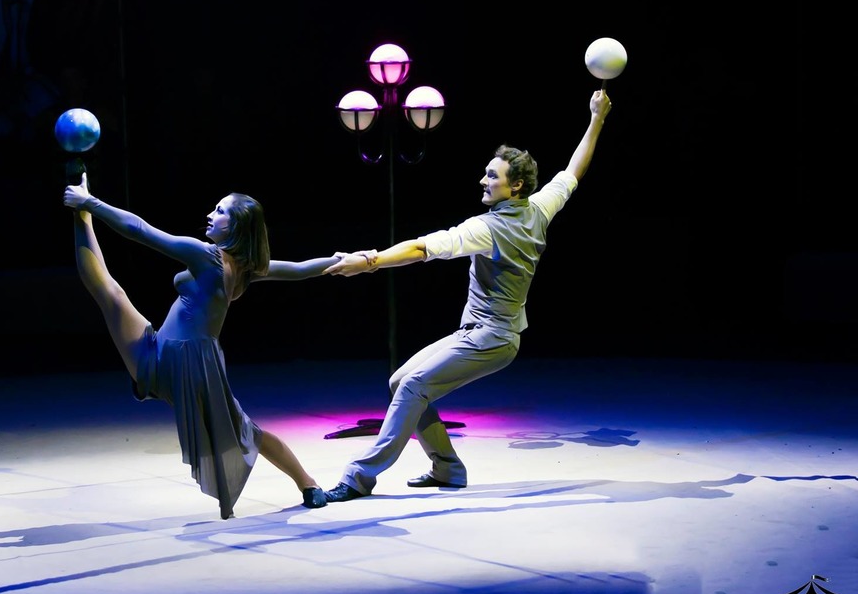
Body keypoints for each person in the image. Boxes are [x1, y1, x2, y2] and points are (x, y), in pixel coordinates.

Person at [321, 89, 613, 502]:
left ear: (516, 186)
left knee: (413, 385)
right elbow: (573, 171)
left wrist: (368, 261)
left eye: (492, 176)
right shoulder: (539, 209)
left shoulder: (486, 229)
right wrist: (597, 118)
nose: (483, 180)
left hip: (492, 337)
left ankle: (358, 476)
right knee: (400, 380)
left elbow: (421, 248)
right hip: (481, 333)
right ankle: (447, 468)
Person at [63, 172, 343, 518]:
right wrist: (343, 261)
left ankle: (81, 213)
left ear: (236, 227)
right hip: (192, 361)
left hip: (174, 359)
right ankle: (308, 484)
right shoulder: (247, 269)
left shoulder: (206, 256)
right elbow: (300, 269)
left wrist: (91, 203)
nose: (210, 215)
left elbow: (141, 230)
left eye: (220, 211)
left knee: (107, 291)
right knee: (248, 432)